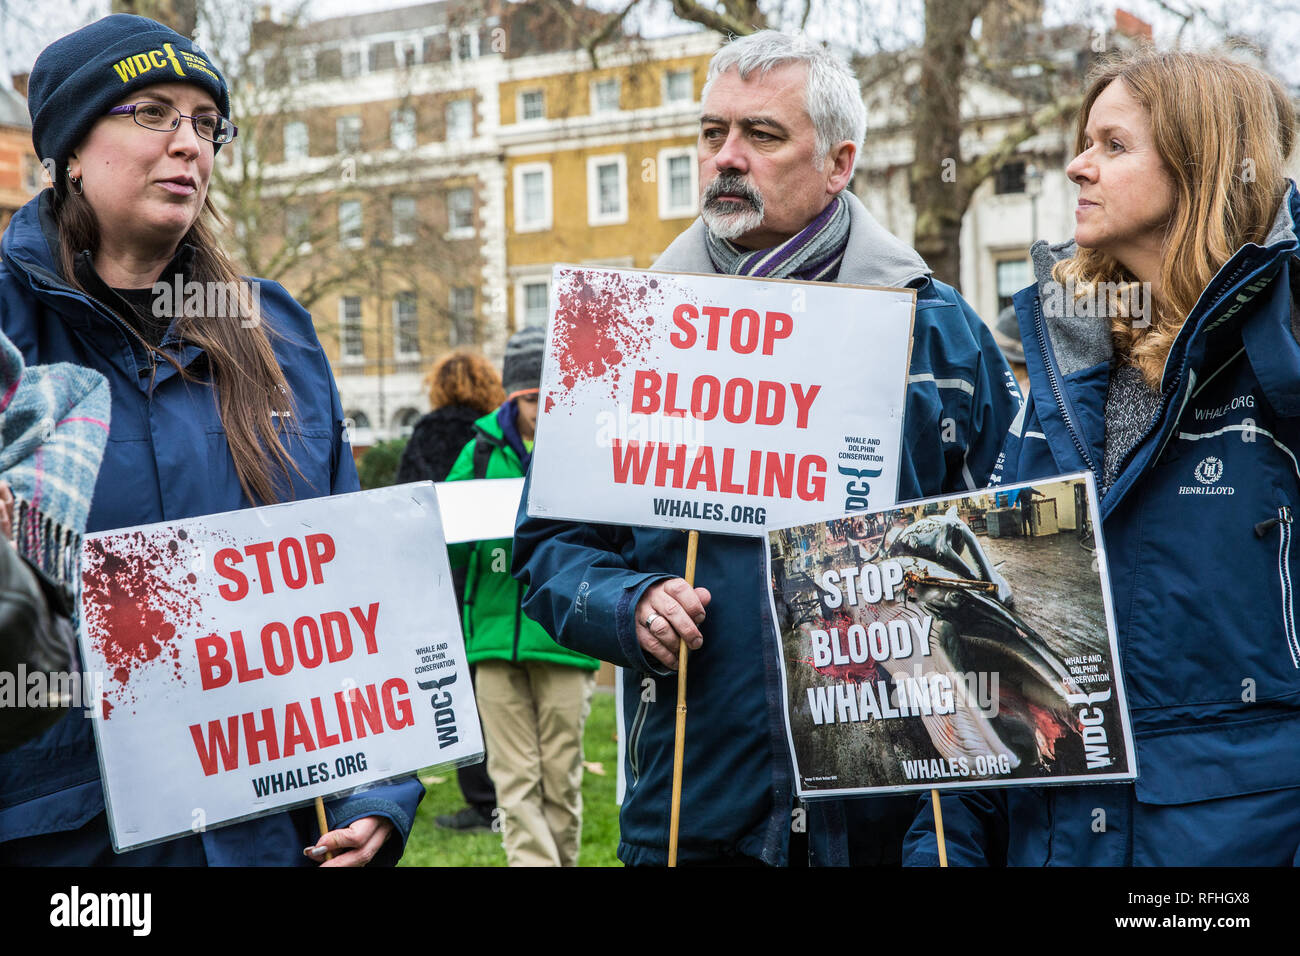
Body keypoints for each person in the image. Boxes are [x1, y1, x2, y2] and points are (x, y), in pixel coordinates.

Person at [512, 31, 1019, 866]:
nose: (726, 159)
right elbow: (546, 555)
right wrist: (627, 604)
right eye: (713, 134)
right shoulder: (624, 332)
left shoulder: (940, 335)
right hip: (692, 810)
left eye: (762, 135)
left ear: (839, 162)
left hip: (895, 823)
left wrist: (954, 825)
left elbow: (1008, 572)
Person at [0, 14, 422, 865]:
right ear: (70, 151)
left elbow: (350, 580)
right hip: (68, 842)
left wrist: (379, 790)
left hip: (265, 833)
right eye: (151, 113)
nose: (187, 143)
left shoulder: (280, 336)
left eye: (205, 122)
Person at [905, 50, 1300, 866]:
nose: (1078, 167)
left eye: (1113, 146)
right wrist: (944, 844)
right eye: (1084, 143)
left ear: (1204, 164)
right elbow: (997, 626)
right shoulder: (1065, 366)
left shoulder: (1285, 354)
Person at [446, 327, 600, 866]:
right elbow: (449, 542)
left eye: (547, 397)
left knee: (561, 782)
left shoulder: (587, 450)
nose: (539, 409)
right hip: (491, 641)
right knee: (513, 783)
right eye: (530, 399)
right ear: (512, 397)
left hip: (563, 638)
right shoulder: (480, 452)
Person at [396, 349, 505, 831]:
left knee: (455, 688)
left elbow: (403, 504)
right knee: (497, 683)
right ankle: (505, 794)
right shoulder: (495, 434)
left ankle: (480, 797)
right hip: (491, 572)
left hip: (440, 577)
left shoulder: (426, 433)